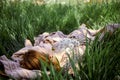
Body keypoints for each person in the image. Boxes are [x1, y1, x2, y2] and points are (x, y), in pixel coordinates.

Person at [0, 24, 120, 79]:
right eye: (42, 52)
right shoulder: (64, 63)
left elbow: (31, 49)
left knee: (85, 30)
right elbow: (80, 46)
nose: (41, 48)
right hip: (83, 41)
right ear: (44, 58)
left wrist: (28, 44)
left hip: (73, 38)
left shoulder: (52, 54)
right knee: (109, 28)